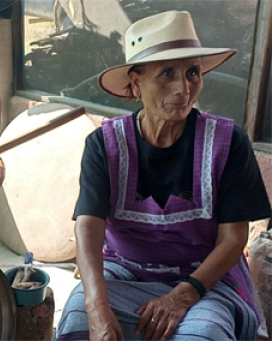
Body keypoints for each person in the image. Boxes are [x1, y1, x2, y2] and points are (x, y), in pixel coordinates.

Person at [54, 10, 271, 341]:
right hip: (124, 271)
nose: (183, 88)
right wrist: (97, 308)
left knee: (204, 335)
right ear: (136, 84)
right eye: (166, 74)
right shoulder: (105, 145)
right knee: (78, 325)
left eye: (192, 73)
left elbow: (232, 240)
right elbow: (88, 227)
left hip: (203, 278)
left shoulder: (229, 144)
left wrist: (183, 295)